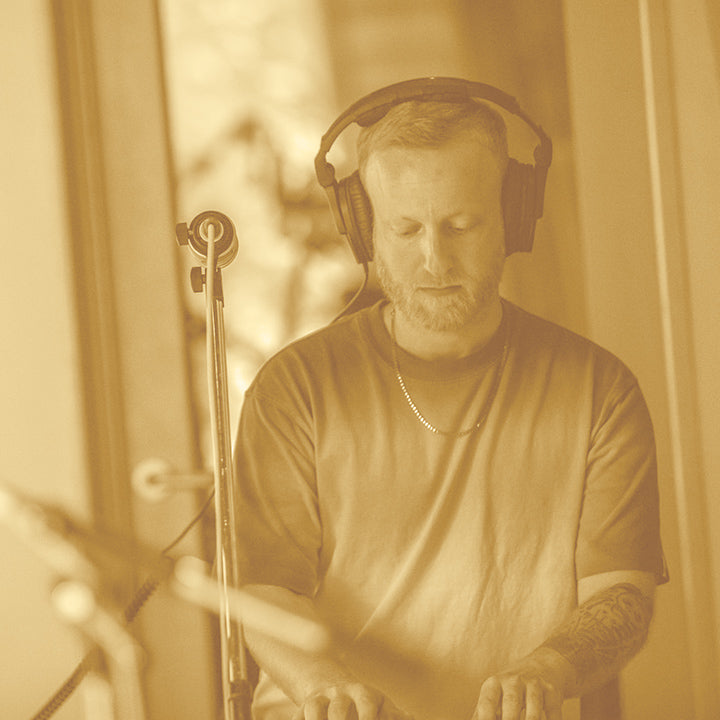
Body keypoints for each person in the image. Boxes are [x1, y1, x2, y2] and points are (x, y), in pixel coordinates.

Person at [232, 80, 667, 720]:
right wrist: (324, 684)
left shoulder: (599, 390)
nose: (435, 260)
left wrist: (548, 667)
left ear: (512, 218)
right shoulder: (294, 390)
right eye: (405, 229)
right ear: (365, 231)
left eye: (461, 225)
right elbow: (266, 593)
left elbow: (621, 593)